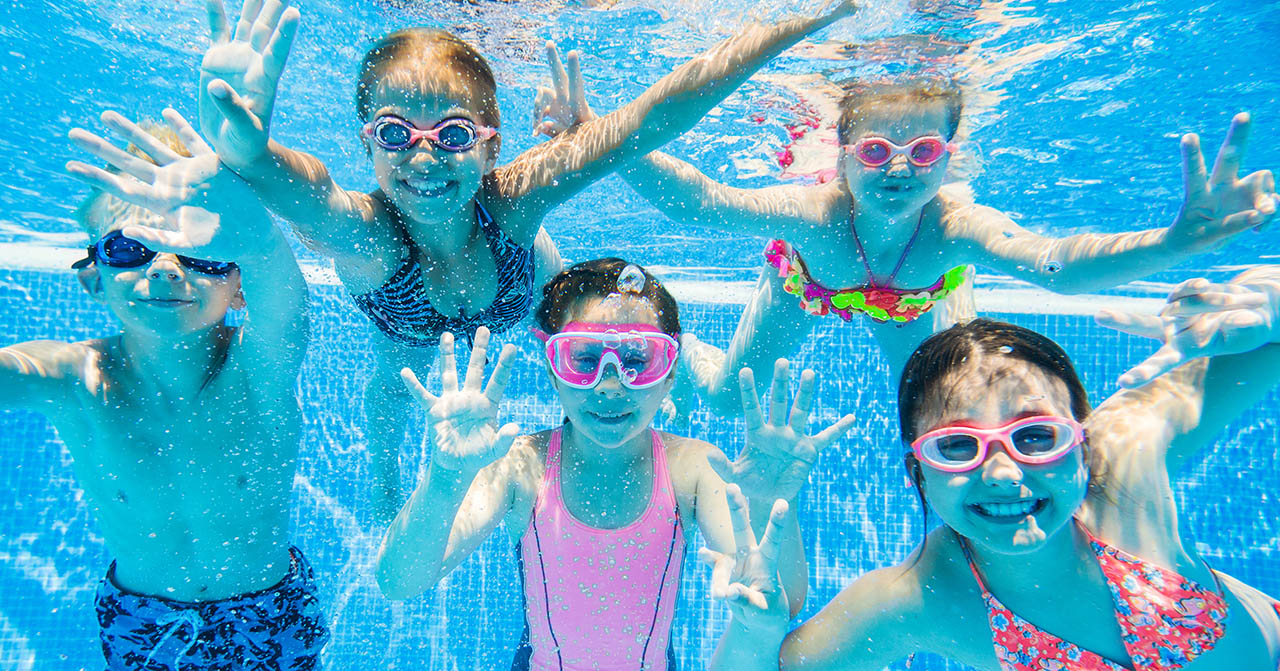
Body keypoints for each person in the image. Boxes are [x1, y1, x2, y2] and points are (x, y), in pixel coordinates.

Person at [194, 0, 857, 516]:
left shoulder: (512, 202)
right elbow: (308, 192)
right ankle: (384, 475)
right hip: (408, 327)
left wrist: (789, 25)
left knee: (596, 340)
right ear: (367, 144)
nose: (423, 156)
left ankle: (672, 374)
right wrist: (249, 151)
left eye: (453, 133)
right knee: (391, 385)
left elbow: (647, 120)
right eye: (395, 133)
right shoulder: (369, 236)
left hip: (527, 286)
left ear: (490, 145)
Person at [699, 273, 1280, 671]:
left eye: (1036, 436)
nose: (1003, 474)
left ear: (1082, 441)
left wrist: (1265, 302)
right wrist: (754, 630)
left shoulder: (1128, 456)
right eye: (957, 446)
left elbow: (1268, 329)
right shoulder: (923, 597)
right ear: (919, 472)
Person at [533, 59, 1280, 411]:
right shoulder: (817, 216)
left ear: (948, 157)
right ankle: (694, 352)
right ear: (842, 154)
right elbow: (703, 204)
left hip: (917, 301)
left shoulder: (954, 225)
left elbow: (1052, 263)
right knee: (729, 400)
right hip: (807, 287)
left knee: (947, 404)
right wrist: (597, 136)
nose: (898, 169)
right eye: (874, 150)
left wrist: (1173, 244)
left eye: (922, 151)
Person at [376, 258, 855, 671]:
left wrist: (770, 502)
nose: (610, 385)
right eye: (584, 359)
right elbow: (399, 580)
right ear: (553, 371)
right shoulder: (521, 466)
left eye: (637, 360)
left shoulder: (693, 469)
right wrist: (445, 479)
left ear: (669, 375)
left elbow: (778, 593)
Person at [10, 109, 327, 671]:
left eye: (201, 253)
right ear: (93, 275)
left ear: (239, 286)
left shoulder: (259, 367)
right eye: (130, 248)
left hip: (267, 609)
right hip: (146, 616)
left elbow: (286, 300)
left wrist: (254, 231)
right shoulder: (71, 378)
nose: (164, 267)